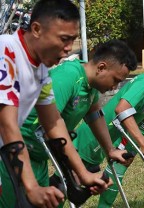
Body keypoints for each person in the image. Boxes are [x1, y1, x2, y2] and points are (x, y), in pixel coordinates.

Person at [0, 40, 137, 207]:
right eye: (115, 80)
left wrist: (110, 149)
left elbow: (95, 114)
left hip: (38, 157)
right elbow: (52, 124)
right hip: (13, 153)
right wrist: (82, 173)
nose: (115, 86)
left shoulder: (91, 85)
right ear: (101, 67)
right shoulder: (68, 77)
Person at [0, 0, 107, 207]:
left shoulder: (41, 71)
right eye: (63, 39)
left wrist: (83, 174)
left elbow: (53, 123)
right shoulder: (7, 51)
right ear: (37, 29)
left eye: (73, 40)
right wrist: (31, 187)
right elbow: (7, 124)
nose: (68, 49)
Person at [72, 50, 144, 207]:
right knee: (67, 187)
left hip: (104, 141)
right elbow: (122, 108)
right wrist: (143, 144)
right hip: (91, 140)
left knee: (114, 171)